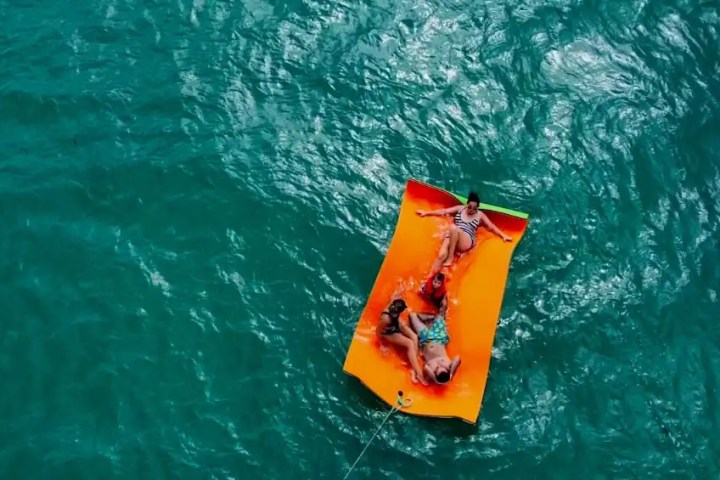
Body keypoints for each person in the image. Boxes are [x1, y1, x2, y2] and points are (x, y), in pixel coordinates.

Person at [416, 192, 512, 270]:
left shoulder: (480, 215)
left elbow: (491, 226)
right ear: (467, 204)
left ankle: (450, 257)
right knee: (441, 255)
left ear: (477, 208)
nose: (471, 210)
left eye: (474, 209)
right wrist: (426, 213)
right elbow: (444, 211)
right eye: (470, 207)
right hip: (453, 234)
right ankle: (429, 281)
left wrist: (503, 235)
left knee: (453, 228)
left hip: (466, 240)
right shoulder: (460, 208)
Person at [408, 301, 461, 384]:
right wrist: (451, 374)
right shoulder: (449, 365)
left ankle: (429, 320)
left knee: (412, 316)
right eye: (442, 367)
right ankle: (434, 316)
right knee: (441, 312)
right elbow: (458, 358)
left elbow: (425, 368)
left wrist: (435, 380)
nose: (439, 365)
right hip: (439, 337)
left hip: (425, 338)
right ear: (447, 369)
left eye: (436, 368)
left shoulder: (430, 369)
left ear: (434, 373)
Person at [376, 299, 427, 384]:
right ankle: (419, 373)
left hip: (395, 325)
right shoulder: (386, 319)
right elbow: (378, 331)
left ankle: (413, 369)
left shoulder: (394, 306)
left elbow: (393, 298)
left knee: (414, 337)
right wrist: (381, 344)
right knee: (410, 343)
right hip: (388, 333)